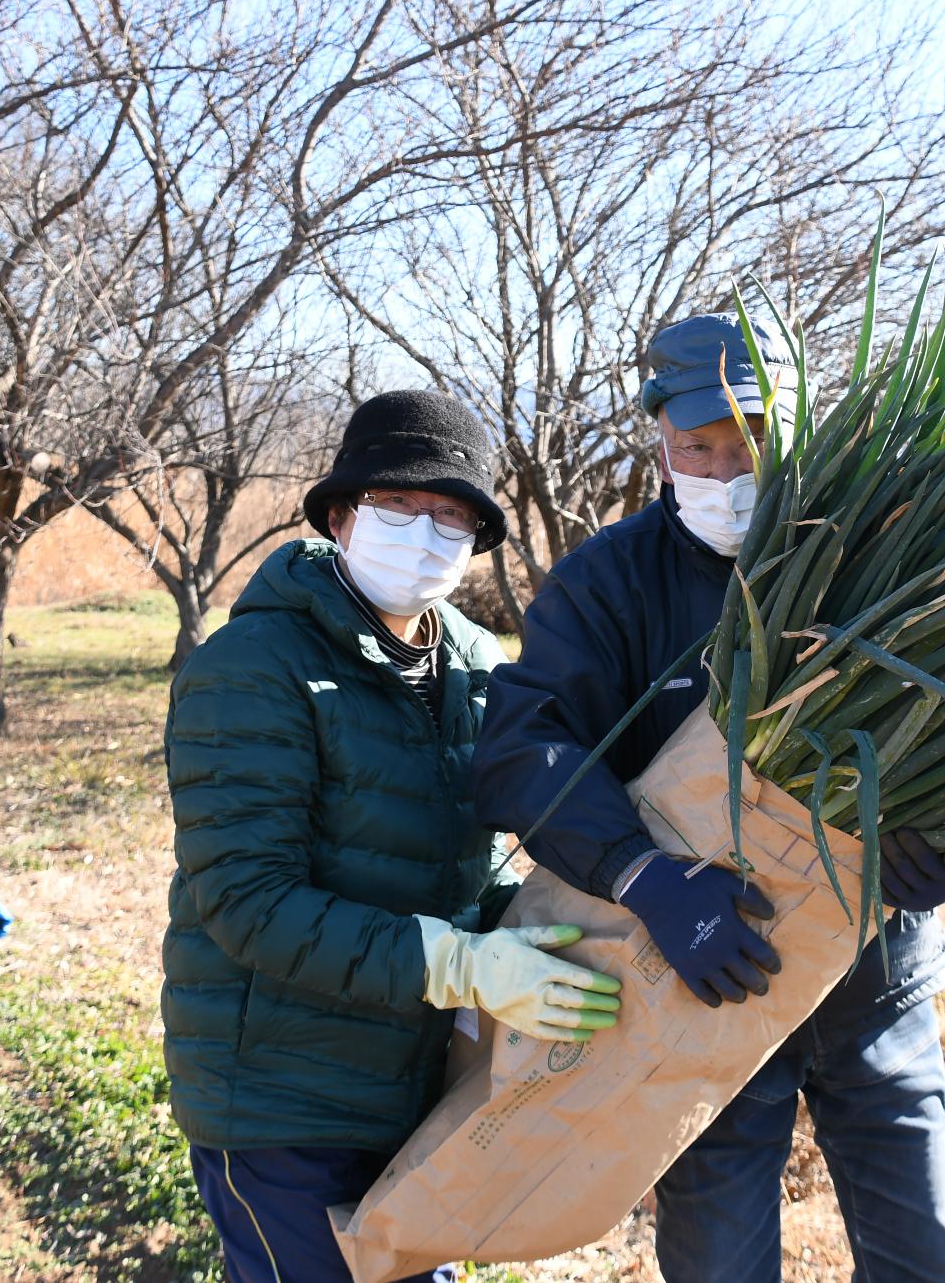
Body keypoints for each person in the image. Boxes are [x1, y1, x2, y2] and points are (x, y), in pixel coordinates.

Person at [474, 317, 945, 1282]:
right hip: (707, 961)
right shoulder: (610, 580)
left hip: (876, 967)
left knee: (920, 1245)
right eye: (697, 446)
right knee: (719, 1254)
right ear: (657, 438)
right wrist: (642, 874)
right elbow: (523, 747)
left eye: (752, 439)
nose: (725, 469)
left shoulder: (888, 559)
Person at [162, 389, 625, 1283]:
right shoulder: (253, 669)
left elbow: (477, 848)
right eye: (398, 506)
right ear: (341, 516)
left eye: (451, 516)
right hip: (280, 1096)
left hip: (413, 1083)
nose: (425, 533)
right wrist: (459, 966)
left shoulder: (478, 663)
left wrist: (517, 930)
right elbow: (248, 902)